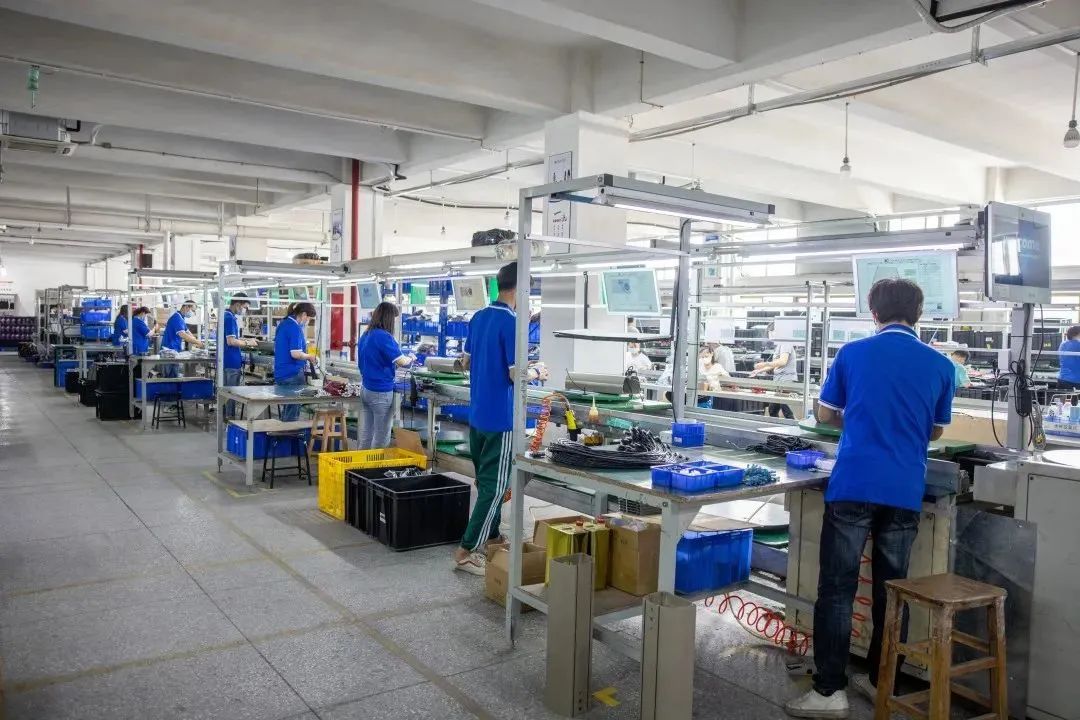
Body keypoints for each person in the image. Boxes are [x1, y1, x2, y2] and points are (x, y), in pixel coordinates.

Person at [785, 278, 954, 719]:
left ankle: (829, 693)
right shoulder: (941, 365)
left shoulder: (852, 353)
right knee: (892, 592)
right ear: (918, 314)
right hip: (904, 491)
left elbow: (826, 412)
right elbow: (936, 430)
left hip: (854, 484)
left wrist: (861, 419)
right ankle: (884, 682)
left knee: (837, 589)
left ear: (873, 313)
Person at [452, 262, 548, 575]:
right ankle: (466, 550)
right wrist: (537, 371)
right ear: (520, 289)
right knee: (494, 490)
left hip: (478, 416)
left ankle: (491, 536)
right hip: (501, 420)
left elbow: (465, 362)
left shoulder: (478, 317)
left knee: (485, 482)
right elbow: (515, 374)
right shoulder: (513, 322)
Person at [357, 301, 414, 449]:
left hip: (366, 389)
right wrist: (411, 358)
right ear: (389, 318)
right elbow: (402, 361)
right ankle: (376, 463)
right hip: (380, 392)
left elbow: (376, 359)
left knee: (366, 434)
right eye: (394, 319)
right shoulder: (384, 336)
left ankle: (361, 463)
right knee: (381, 437)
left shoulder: (366, 334)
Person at [274, 301, 317, 421]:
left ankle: (284, 431)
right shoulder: (294, 328)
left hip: (281, 373)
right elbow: (295, 353)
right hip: (292, 374)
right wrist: (309, 356)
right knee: (292, 413)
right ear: (304, 314)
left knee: (287, 409)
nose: (308, 321)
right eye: (309, 318)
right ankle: (289, 432)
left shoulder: (283, 324)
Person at [751, 322, 798, 420]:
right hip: (779, 381)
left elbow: (782, 361)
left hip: (786, 380)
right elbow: (775, 364)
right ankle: (778, 426)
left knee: (785, 408)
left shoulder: (785, 343)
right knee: (773, 409)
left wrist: (764, 364)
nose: (769, 335)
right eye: (769, 332)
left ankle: (793, 425)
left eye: (771, 332)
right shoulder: (779, 345)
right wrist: (758, 371)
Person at [222, 293, 257, 418]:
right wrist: (248, 343)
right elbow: (231, 341)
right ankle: (230, 420)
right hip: (231, 362)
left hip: (225, 361)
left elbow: (232, 338)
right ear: (237, 305)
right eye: (244, 307)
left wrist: (244, 339)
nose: (244, 310)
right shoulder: (230, 318)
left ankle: (225, 418)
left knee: (225, 393)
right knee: (231, 394)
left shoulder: (225, 316)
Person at [161, 300, 205, 377]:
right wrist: (198, 343)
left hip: (174, 351)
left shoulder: (181, 318)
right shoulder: (176, 318)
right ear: (186, 307)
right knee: (169, 378)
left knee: (174, 376)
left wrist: (197, 341)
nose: (193, 313)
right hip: (169, 352)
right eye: (193, 310)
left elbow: (187, 332)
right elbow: (183, 334)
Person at [1058, 325, 1080, 392]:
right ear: (1078, 333)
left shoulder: (1063, 344)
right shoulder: (1078, 344)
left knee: (1063, 398)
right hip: (1077, 380)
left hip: (1063, 378)